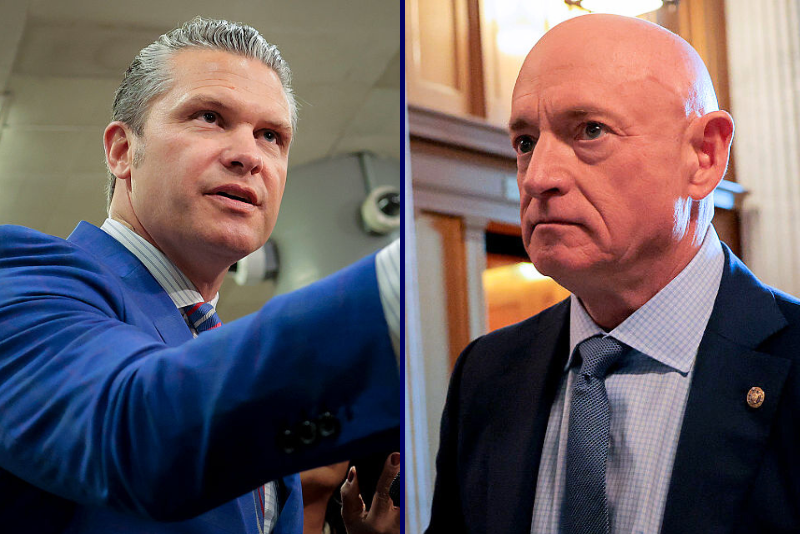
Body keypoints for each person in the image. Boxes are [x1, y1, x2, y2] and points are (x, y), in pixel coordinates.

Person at [0, 17, 400, 534]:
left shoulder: (224, 352)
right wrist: (391, 292)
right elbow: (136, 430)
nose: (248, 155)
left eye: (271, 136)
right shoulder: (24, 275)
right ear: (123, 151)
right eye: (210, 117)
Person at [427, 13, 800, 534]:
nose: (537, 178)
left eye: (591, 131)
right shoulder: (486, 374)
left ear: (704, 156)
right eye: (526, 142)